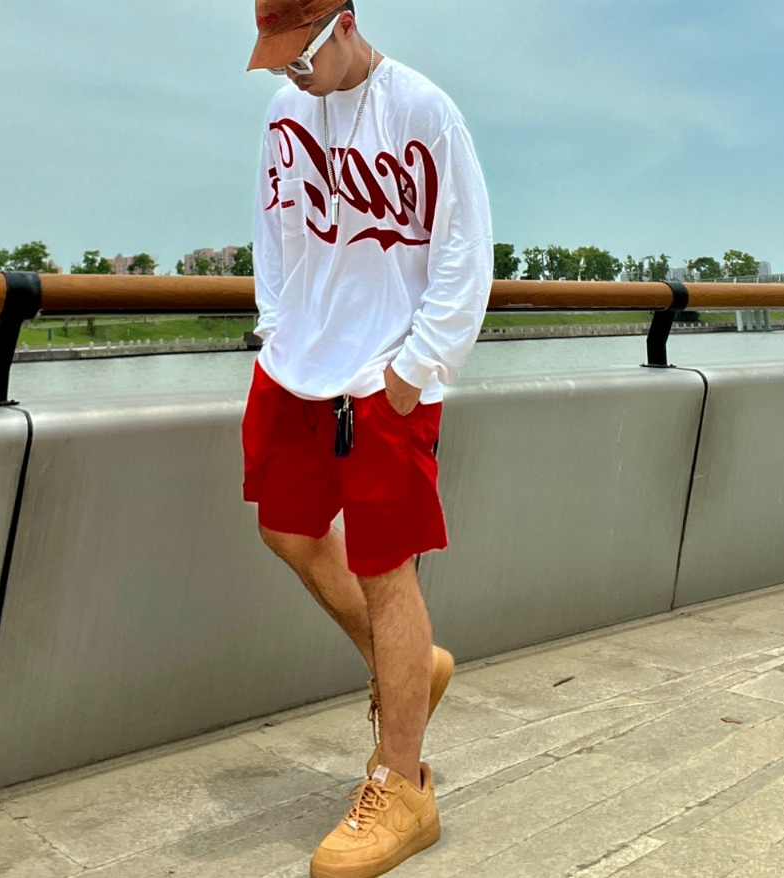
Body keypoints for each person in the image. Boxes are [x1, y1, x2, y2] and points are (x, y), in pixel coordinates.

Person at [243, 1, 492, 874]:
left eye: (300, 54)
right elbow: (274, 231)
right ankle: (411, 669)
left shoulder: (422, 109)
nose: (290, 72)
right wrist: (277, 330)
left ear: (345, 24)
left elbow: (466, 248)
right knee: (288, 529)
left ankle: (404, 785)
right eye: (277, 58)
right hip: (297, 364)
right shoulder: (285, 114)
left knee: (387, 567)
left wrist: (414, 370)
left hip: (387, 372)